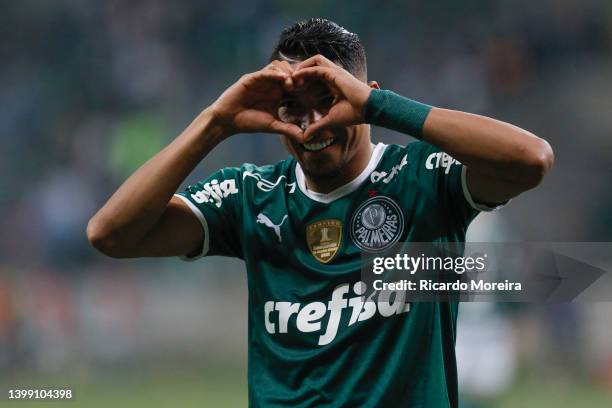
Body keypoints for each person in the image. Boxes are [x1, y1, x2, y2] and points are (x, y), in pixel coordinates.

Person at [87, 18, 553, 408]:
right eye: (293, 109)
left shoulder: (421, 180)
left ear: (362, 95)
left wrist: (379, 108)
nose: (312, 127)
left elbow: (531, 158)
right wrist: (215, 123)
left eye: (327, 103)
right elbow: (111, 234)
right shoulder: (249, 195)